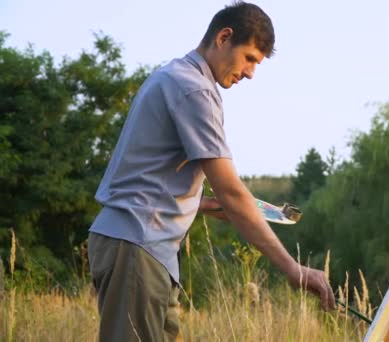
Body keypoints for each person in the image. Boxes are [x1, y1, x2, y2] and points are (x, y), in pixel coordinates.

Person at [87, 2, 335, 341]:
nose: (251, 73)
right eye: (249, 58)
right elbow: (231, 192)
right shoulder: (194, 89)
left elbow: (148, 176)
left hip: (143, 246)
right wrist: (293, 270)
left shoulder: (175, 76)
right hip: (137, 244)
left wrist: (199, 204)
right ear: (224, 37)